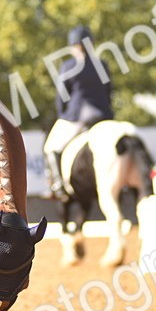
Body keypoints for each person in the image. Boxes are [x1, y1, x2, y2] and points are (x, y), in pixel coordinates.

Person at [42, 25, 114, 200]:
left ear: (74, 45)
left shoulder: (68, 65)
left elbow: (62, 96)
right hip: (103, 116)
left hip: (78, 116)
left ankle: (58, 186)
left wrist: (63, 115)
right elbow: (109, 91)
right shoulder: (102, 64)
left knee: (50, 147)